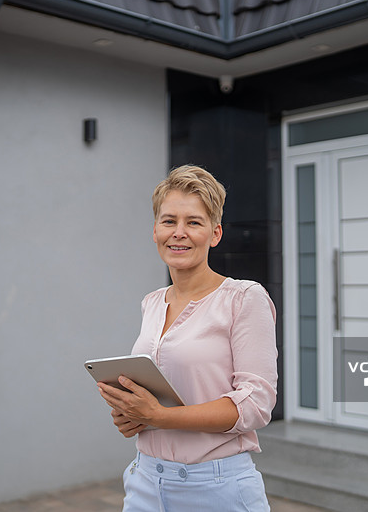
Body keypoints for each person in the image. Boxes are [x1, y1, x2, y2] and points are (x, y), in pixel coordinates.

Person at [98, 165, 278, 511]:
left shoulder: (243, 298)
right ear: (154, 231)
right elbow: (166, 395)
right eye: (169, 221)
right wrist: (132, 415)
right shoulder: (151, 302)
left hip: (216, 488)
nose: (178, 233)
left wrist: (158, 417)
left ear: (215, 233)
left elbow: (256, 405)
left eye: (193, 222)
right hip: (145, 481)